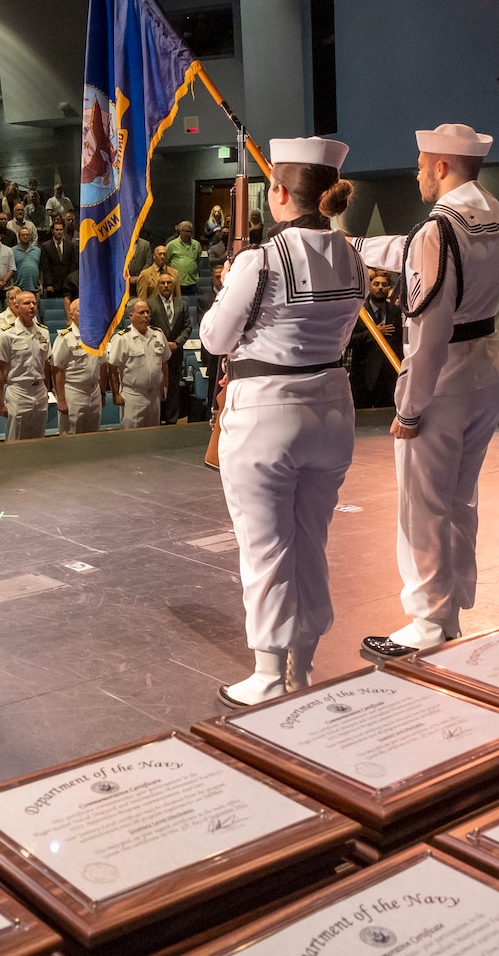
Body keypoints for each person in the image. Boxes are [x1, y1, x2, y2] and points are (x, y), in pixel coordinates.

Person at [200, 137, 366, 707]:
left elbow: (215, 338)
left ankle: (269, 673)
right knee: (310, 543)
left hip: (268, 409)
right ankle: (306, 664)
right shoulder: (353, 253)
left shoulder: (260, 259)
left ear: (279, 193)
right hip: (332, 408)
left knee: (265, 547)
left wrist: (227, 288)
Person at [353, 124, 499, 661]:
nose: (418, 172)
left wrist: (409, 405)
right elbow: (409, 251)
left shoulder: (439, 229)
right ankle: (448, 611)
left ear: (443, 166)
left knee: (423, 504)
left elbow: (427, 331)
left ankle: (426, 620)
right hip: (487, 369)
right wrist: (351, 245)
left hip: (442, 377)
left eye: (424, 164)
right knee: (459, 498)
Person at [0, 289, 50, 441]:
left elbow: (46, 364)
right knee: (16, 439)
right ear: (16, 307)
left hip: (39, 391)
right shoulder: (6, 335)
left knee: (39, 439)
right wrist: (0, 402)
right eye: (27, 303)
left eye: (34, 303)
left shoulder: (43, 332)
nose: (32, 306)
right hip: (19, 391)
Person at [105, 299, 171, 430]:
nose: (146, 315)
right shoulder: (122, 338)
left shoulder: (158, 334)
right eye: (142, 312)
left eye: (147, 312)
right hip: (133, 396)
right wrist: (116, 394)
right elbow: (112, 368)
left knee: (153, 435)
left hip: (154, 396)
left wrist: (165, 386)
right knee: (132, 437)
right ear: (131, 316)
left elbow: (164, 363)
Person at [346, 270, 401, 408]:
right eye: (376, 284)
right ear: (369, 287)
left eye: (384, 284)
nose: (380, 287)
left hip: (388, 377)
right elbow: (348, 341)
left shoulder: (396, 312)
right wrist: (374, 333)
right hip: (363, 376)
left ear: (389, 288)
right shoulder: (359, 312)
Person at [50, 297, 102, 434]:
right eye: (80, 311)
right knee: (72, 433)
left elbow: (102, 365)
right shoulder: (65, 338)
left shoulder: (97, 336)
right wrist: (60, 399)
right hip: (74, 391)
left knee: (94, 434)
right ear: (71, 315)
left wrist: (102, 393)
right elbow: (57, 369)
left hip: (94, 391)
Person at [147, 271, 190, 423]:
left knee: (174, 388)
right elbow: (148, 327)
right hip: (156, 353)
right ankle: (157, 418)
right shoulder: (150, 303)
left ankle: (172, 420)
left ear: (173, 285)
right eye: (162, 283)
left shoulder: (182, 304)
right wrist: (164, 344)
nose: (166, 285)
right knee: (156, 386)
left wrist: (176, 343)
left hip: (176, 352)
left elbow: (187, 328)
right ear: (158, 285)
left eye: (169, 283)